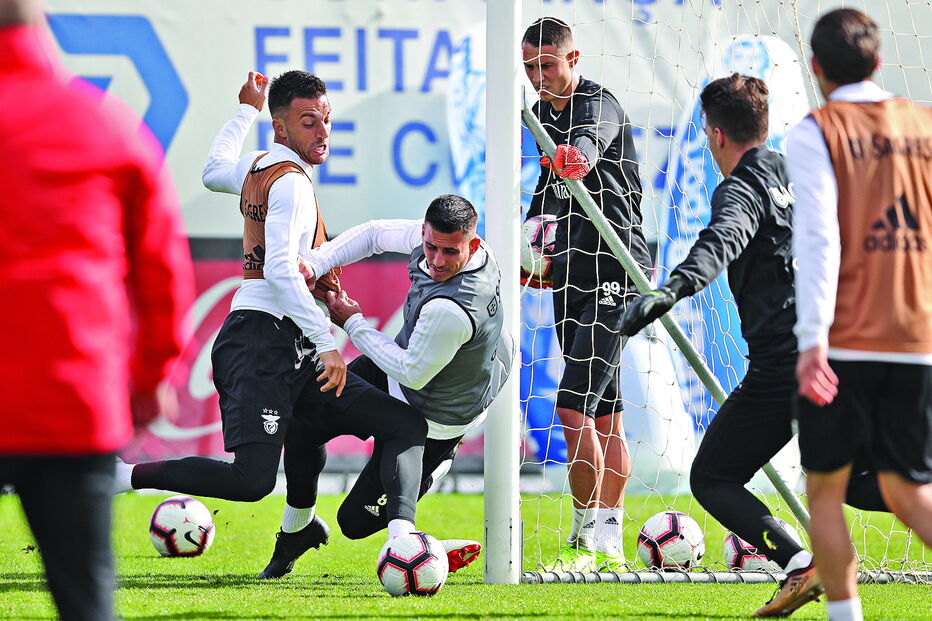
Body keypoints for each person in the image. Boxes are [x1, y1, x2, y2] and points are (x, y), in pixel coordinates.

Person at [115, 71, 430, 569]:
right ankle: (123, 478)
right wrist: (328, 340)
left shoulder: (260, 165)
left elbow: (212, 169)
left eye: (326, 120)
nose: (322, 132)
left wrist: (246, 109)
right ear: (281, 128)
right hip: (262, 341)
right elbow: (282, 270)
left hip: (287, 342)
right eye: (309, 123)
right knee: (252, 480)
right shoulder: (292, 184)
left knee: (403, 422)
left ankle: (329, 531)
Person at [616, 73, 889, 618]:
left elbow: (720, 241)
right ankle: (808, 566)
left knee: (713, 476)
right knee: (859, 482)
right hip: (841, 350)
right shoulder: (800, 172)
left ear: (715, 135)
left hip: (785, 364)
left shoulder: (739, 188)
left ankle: (799, 565)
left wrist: (669, 290)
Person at [0, 2, 195, 620]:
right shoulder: (105, 124)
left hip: (64, 401)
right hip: (72, 401)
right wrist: (147, 382)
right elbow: (163, 274)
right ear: (41, 28)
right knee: (85, 603)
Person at [261, 194, 514, 578]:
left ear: (473, 245)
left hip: (432, 414)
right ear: (425, 232)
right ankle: (297, 527)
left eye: (449, 251)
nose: (437, 260)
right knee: (304, 415)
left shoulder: (452, 309)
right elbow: (376, 234)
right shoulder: (440, 244)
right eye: (431, 246)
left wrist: (352, 322)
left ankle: (428, 518)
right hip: (398, 372)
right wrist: (315, 263)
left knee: (354, 522)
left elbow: (413, 373)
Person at [786, 9, 932, 621]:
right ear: (879, 61)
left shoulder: (815, 130)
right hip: (916, 338)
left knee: (825, 487)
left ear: (815, 68)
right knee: (908, 487)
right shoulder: (925, 125)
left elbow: (819, 240)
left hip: (843, 341)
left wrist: (811, 340)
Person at [522, 17, 651, 571]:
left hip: (616, 266)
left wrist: (574, 156)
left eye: (546, 64)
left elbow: (584, 150)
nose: (536, 76)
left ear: (573, 60)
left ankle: (590, 537)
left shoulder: (597, 103)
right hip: (573, 269)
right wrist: (533, 243)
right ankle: (609, 537)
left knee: (572, 409)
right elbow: (550, 188)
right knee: (607, 416)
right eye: (528, 66)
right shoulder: (538, 114)